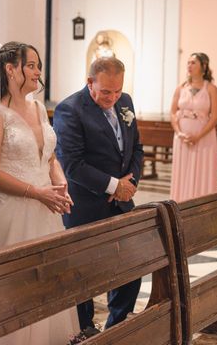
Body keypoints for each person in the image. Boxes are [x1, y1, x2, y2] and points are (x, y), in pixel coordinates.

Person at [0, 42, 78, 344]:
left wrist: (59, 181)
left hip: (44, 209)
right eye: (31, 65)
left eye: (39, 65)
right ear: (10, 69)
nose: (38, 71)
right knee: (8, 288)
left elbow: (49, 156)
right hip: (8, 211)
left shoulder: (38, 108)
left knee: (44, 286)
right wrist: (36, 192)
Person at [54, 57, 144, 336]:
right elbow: (72, 164)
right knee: (84, 275)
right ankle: (84, 330)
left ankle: (116, 327)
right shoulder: (70, 109)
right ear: (90, 82)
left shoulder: (125, 101)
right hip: (86, 205)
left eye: (117, 91)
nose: (113, 98)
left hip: (122, 202)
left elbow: (136, 148)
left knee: (132, 266)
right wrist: (112, 185)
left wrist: (130, 182)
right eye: (106, 92)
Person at [170, 52, 217, 201]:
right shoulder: (180, 88)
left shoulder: (211, 89)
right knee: (183, 173)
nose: (189, 66)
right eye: (188, 62)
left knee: (201, 173)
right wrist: (179, 133)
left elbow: (215, 117)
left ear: (203, 66)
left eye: (193, 63)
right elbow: (173, 113)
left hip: (204, 139)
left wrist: (198, 136)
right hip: (182, 139)